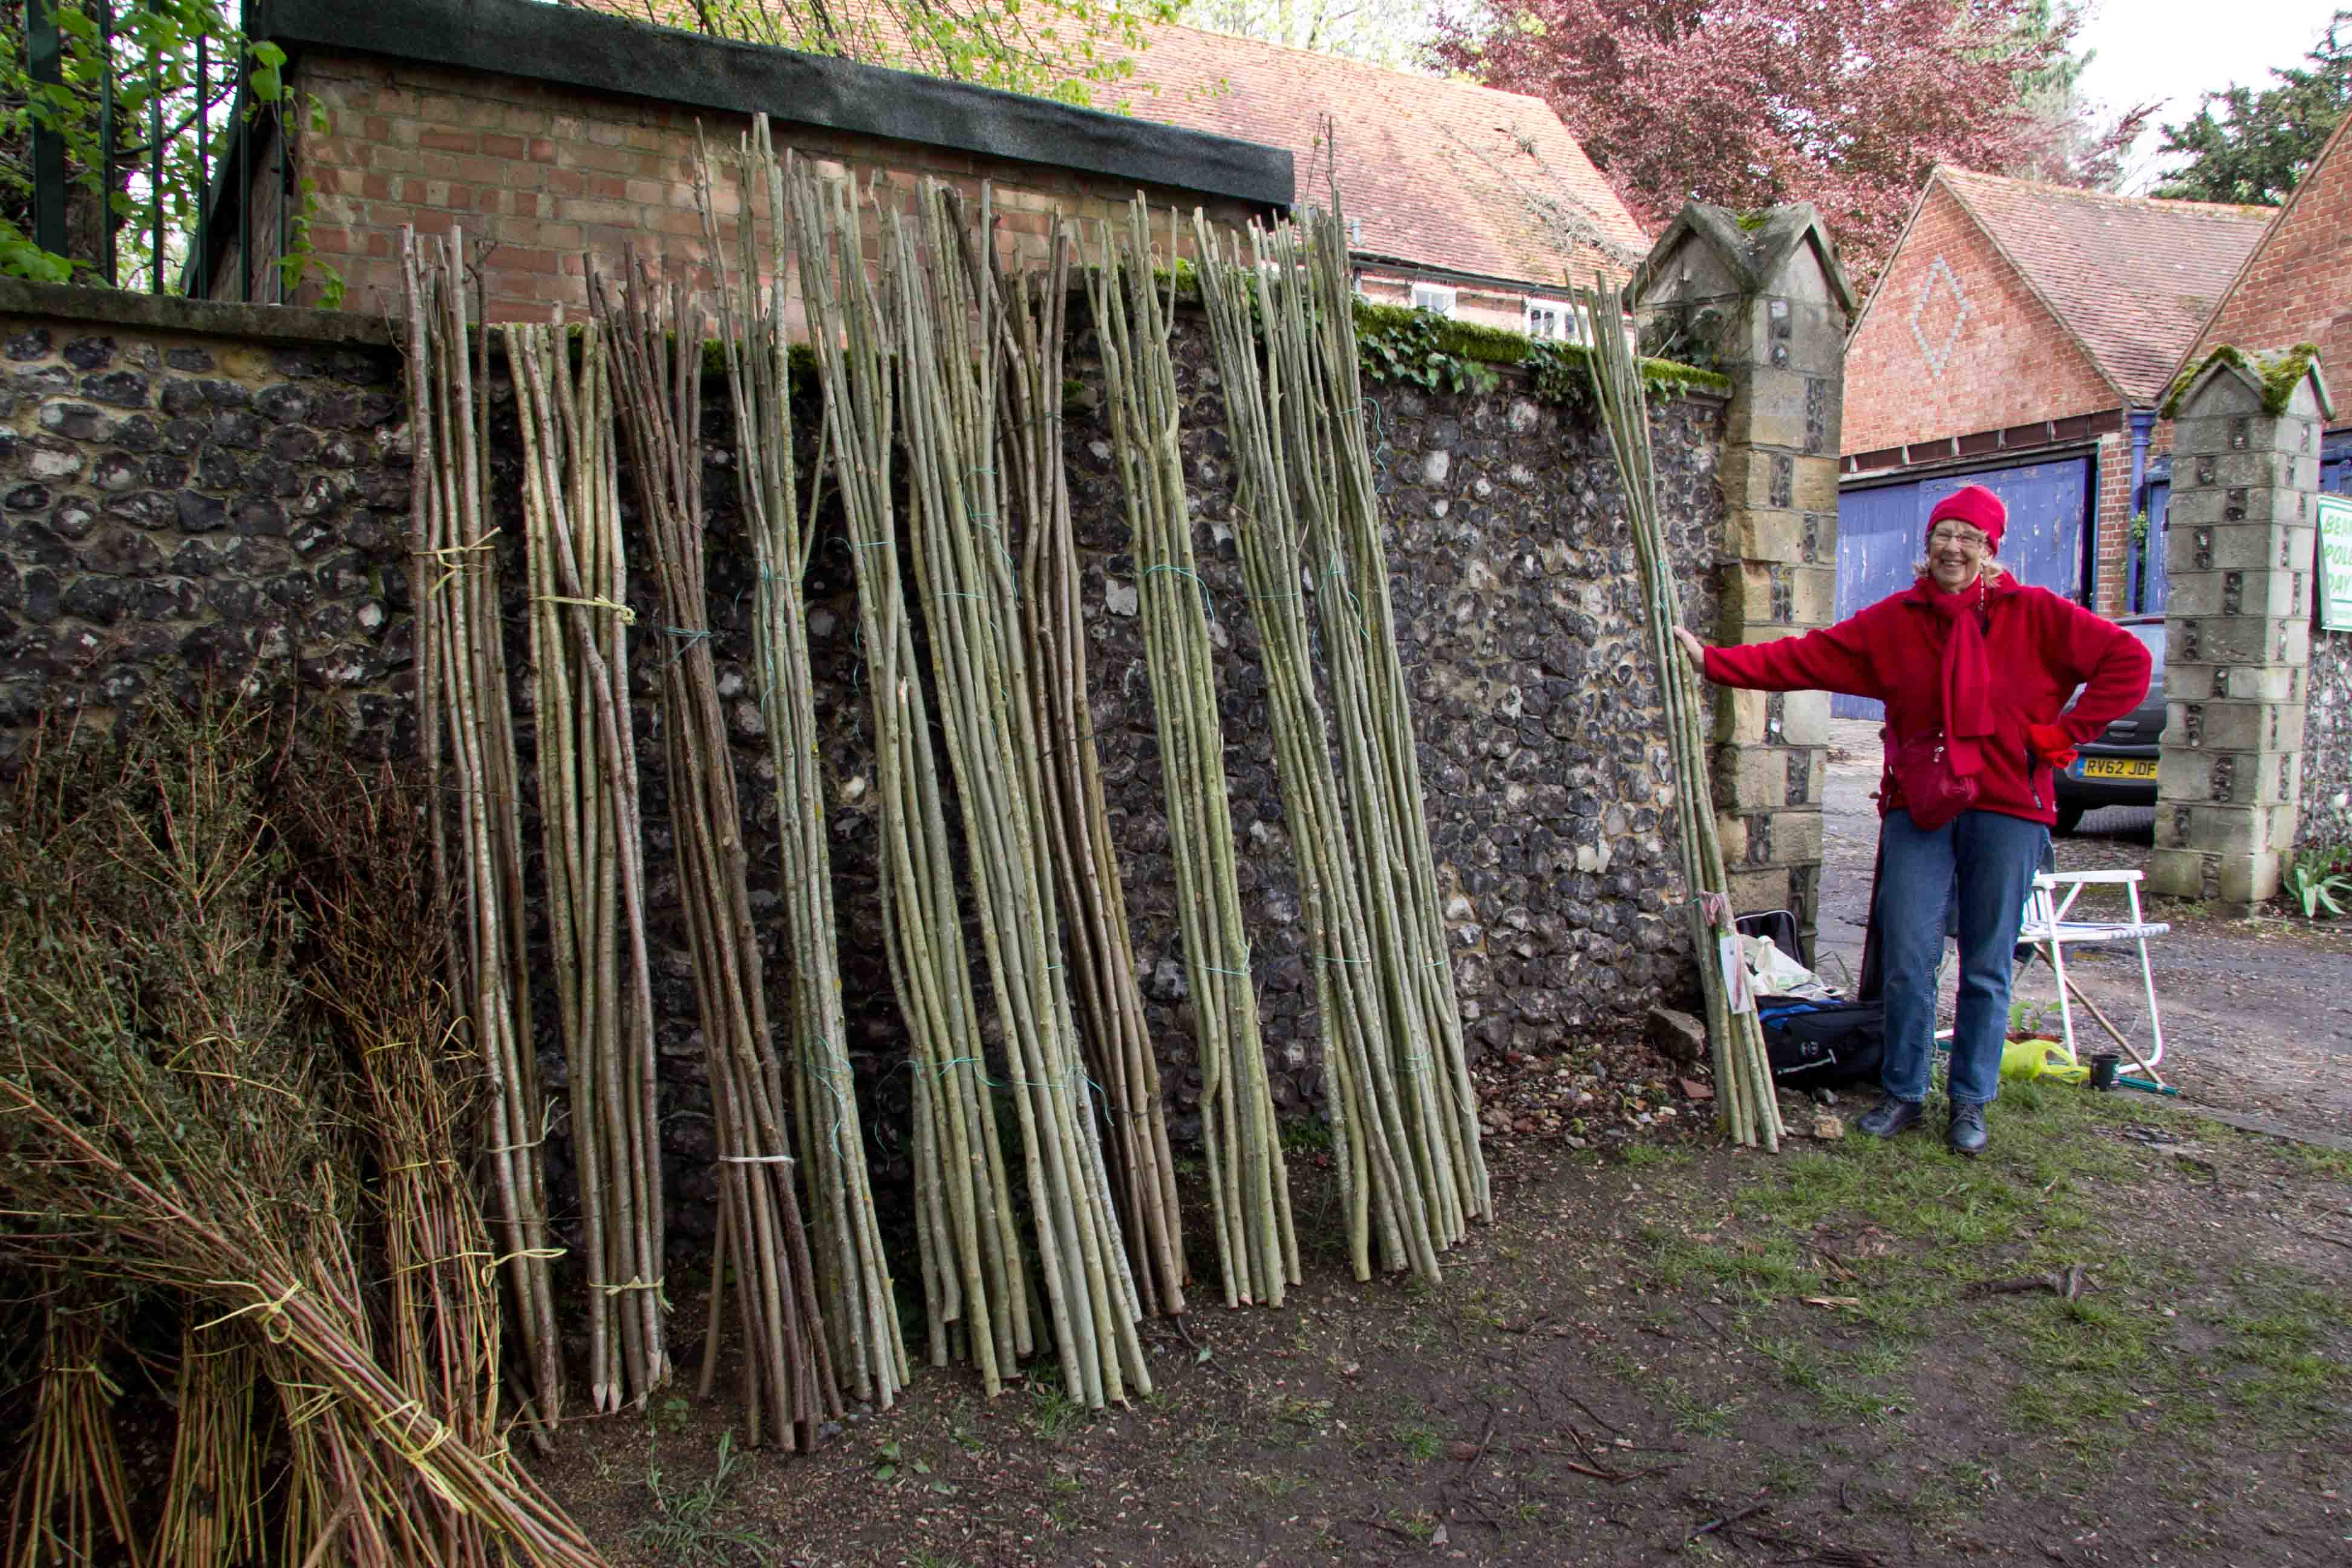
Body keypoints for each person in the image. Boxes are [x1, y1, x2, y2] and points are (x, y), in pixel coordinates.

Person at [1672, 485, 2150, 1156]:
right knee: (1908, 955)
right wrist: (1716, 663)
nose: (1954, 548)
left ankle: (1970, 1102)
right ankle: (1903, 1091)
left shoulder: (2036, 614)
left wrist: (2063, 734)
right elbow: (1809, 655)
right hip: (1921, 806)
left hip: (2009, 808)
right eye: (1943, 535)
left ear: (1990, 551)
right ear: (1927, 547)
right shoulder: (1897, 621)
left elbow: (2128, 662)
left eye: (1969, 538)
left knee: (1988, 963)